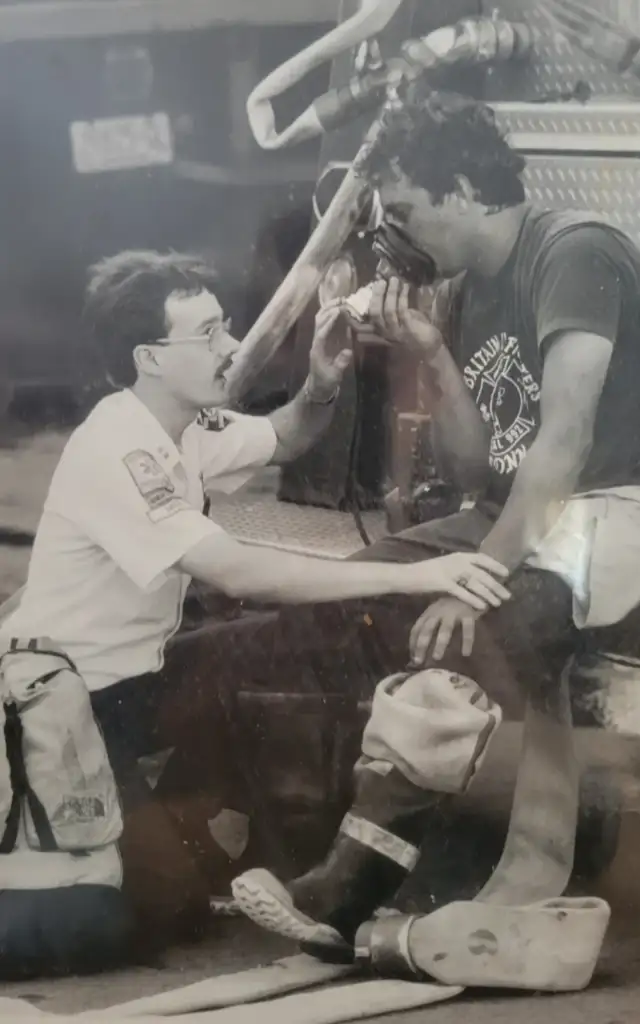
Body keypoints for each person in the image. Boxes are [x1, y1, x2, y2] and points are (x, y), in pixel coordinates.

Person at [231, 94, 640, 955]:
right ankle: (373, 856)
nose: (393, 235)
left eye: (402, 211)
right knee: (353, 601)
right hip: (524, 508)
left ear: (467, 187)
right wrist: (430, 355)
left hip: (633, 504)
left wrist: (479, 580)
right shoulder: (469, 286)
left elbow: (564, 444)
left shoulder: (575, 252)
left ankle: (353, 887)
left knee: (498, 624)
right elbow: (486, 472)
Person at [0, 249, 510, 954]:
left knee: (276, 640)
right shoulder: (120, 449)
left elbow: (285, 436)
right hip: (69, 706)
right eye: (207, 334)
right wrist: (414, 575)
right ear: (150, 357)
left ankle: (256, 840)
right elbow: (235, 569)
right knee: (143, 918)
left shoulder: (180, 424)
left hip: (138, 683)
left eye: (225, 327)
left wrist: (322, 382)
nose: (232, 347)